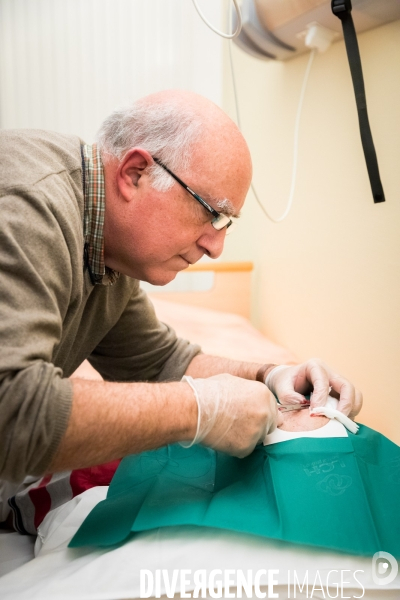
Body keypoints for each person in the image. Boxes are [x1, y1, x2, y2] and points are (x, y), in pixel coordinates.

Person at [0, 90, 362, 489]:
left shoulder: (110, 250)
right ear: (135, 173)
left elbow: (159, 362)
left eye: (225, 224)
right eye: (211, 212)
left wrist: (271, 375)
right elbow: (10, 410)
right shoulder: (26, 207)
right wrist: (198, 410)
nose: (215, 247)